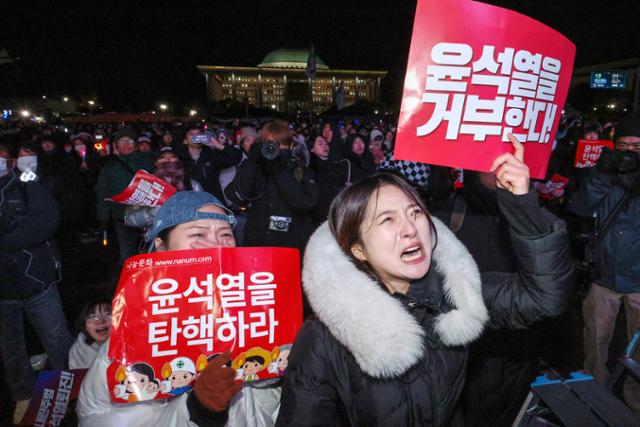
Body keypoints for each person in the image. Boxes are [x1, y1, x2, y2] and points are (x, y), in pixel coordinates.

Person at [276, 136, 573, 426]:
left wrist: (522, 205)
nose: (409, 229)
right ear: (359, 250)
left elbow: (545, 297)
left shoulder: (455, 293)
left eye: (415, 212)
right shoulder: (324, 338)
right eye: (387, 220)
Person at [77, 191, 280, 427]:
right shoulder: (132, 340)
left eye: (225, 234)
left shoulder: (256, 310)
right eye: (198, 234)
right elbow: (100, 419)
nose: (217, 244)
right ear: (162, 249)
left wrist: (274, 373)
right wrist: (198, 411)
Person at [567, 112, 640, 411]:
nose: (630, 153)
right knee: (595, 342)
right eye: (624, 147)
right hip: (604, 275)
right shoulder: (604, 171)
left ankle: (636, 399)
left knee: (639, 352)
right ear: (614, 146)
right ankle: (594, 394)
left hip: (639, 278)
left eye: (638, 147)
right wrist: (601, 175)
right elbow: (580, 207)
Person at [0, 143, 74, 424]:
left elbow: (44, 221)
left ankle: (70, 389)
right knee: (11, 347)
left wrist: (27, 174)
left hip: (37, 279)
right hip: (3, 288)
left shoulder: (25, 182)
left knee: (57, 339)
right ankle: (22, 394)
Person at [225, 120, 319, 253]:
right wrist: (252, 161)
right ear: (263, 145)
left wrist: (279, 168)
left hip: (291, 246)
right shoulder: (256, 168)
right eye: (271, 144)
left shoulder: (301, 170)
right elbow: (237, 196)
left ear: (291, 146)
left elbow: (304, 203)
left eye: (282, 144)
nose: (277, 149)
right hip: (258, 243)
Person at [95, 127, 155, 266]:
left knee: (150, 250)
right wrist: (103, 218)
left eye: (129, 141)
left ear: (135, 144)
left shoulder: (147, 162)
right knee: (127, 253)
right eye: (122, 141)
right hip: (121, 216)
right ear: (116, 145)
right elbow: (102, 192)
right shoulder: (109, 167)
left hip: (147, 214)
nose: (126, 144)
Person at [179, 124, 242, 202]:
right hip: (188, 201)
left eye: (198, 135)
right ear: (186, 139)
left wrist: (218, 145)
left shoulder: (212, 155)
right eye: (192, 134)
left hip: (212, 201)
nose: (196, 137)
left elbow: (237, 157)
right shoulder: (178, 156)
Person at [69, 301, 112, 369]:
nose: (101, 321)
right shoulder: (78, 351)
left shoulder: (127, 344)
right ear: (84, 322)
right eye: (93, 317)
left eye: (108, 314)